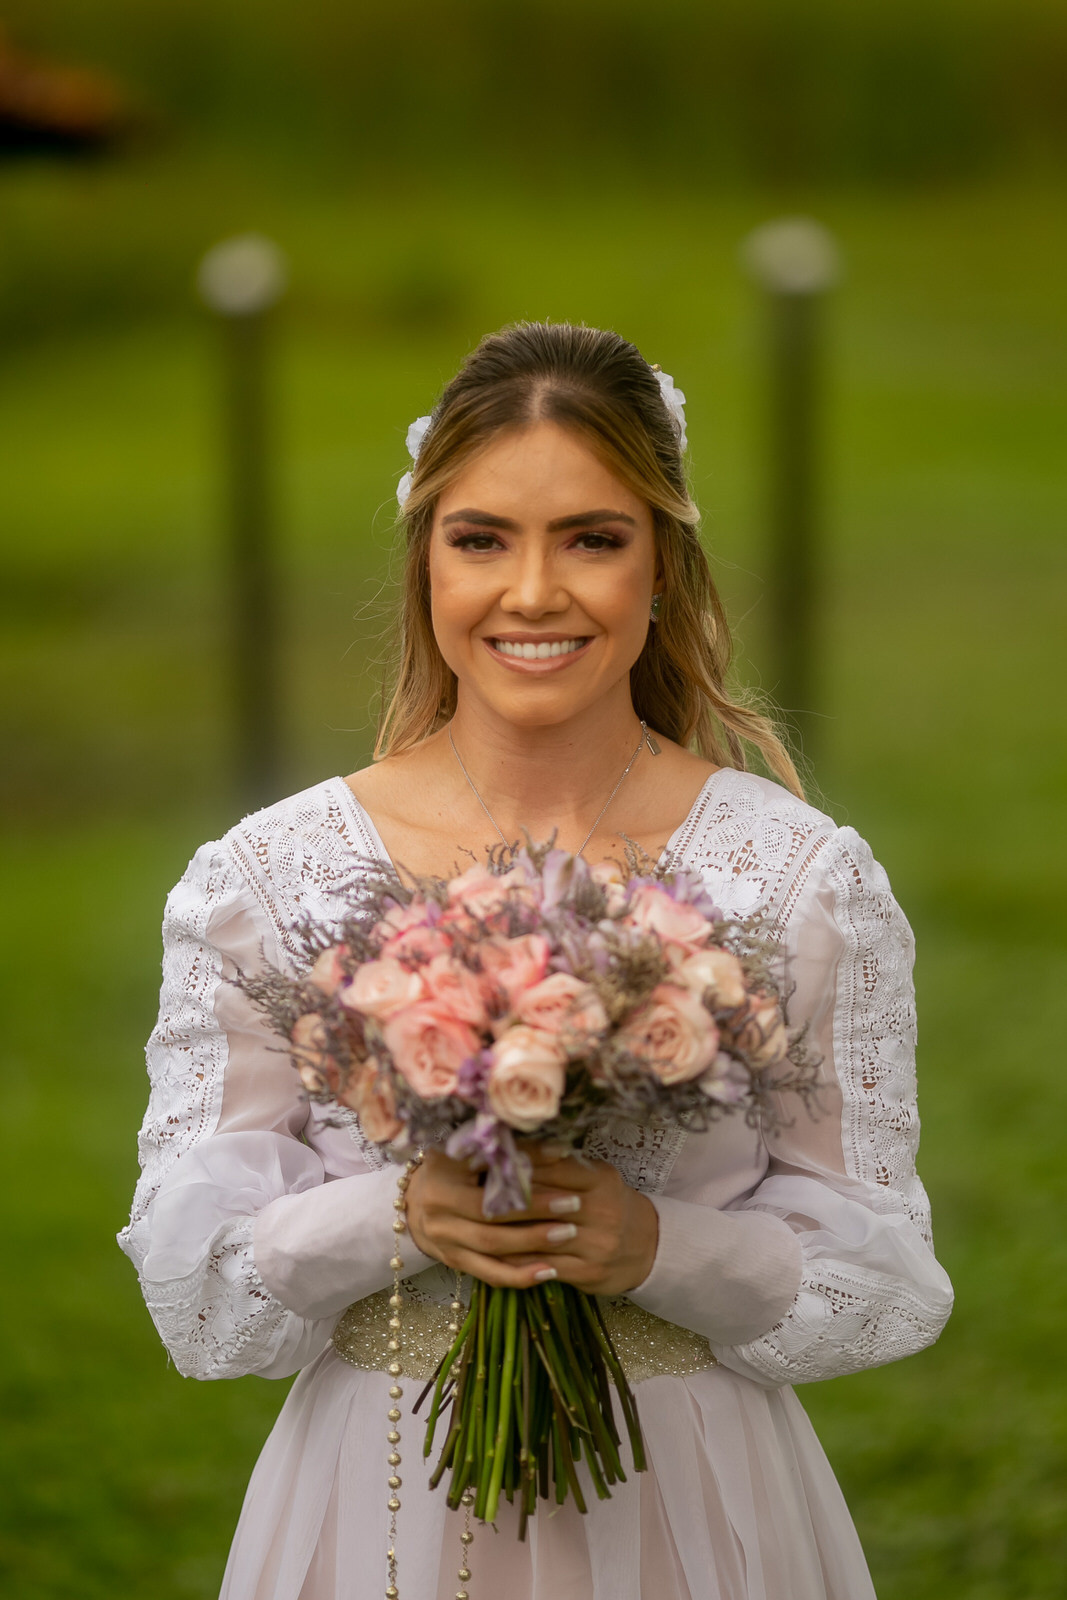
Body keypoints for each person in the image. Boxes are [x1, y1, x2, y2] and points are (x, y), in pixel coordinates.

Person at [119, 322, 953, 1600]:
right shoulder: (265, 879)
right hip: (379, 1497)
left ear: (662, 565)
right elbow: (200, 1287)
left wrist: (654, 1247)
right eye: (481, 539)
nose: (531, 593)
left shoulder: (795, 880)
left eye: (592, 539)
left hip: (693, 1498)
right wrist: (395, 1215)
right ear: (424, 564)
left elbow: (878, 1271)